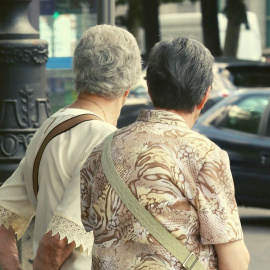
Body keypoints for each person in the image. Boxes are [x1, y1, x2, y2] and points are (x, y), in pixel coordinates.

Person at [80, 37, 250, 270]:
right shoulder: (205, 156)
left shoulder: (103, 149)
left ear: (149, 89)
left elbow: (86, 222)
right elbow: (235, 261)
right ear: (205, 96)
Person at [0, 24, 142, 270]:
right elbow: (54, 245)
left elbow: (2, 218)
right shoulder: (106, 140)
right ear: (126, 89)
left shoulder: (50, 126)